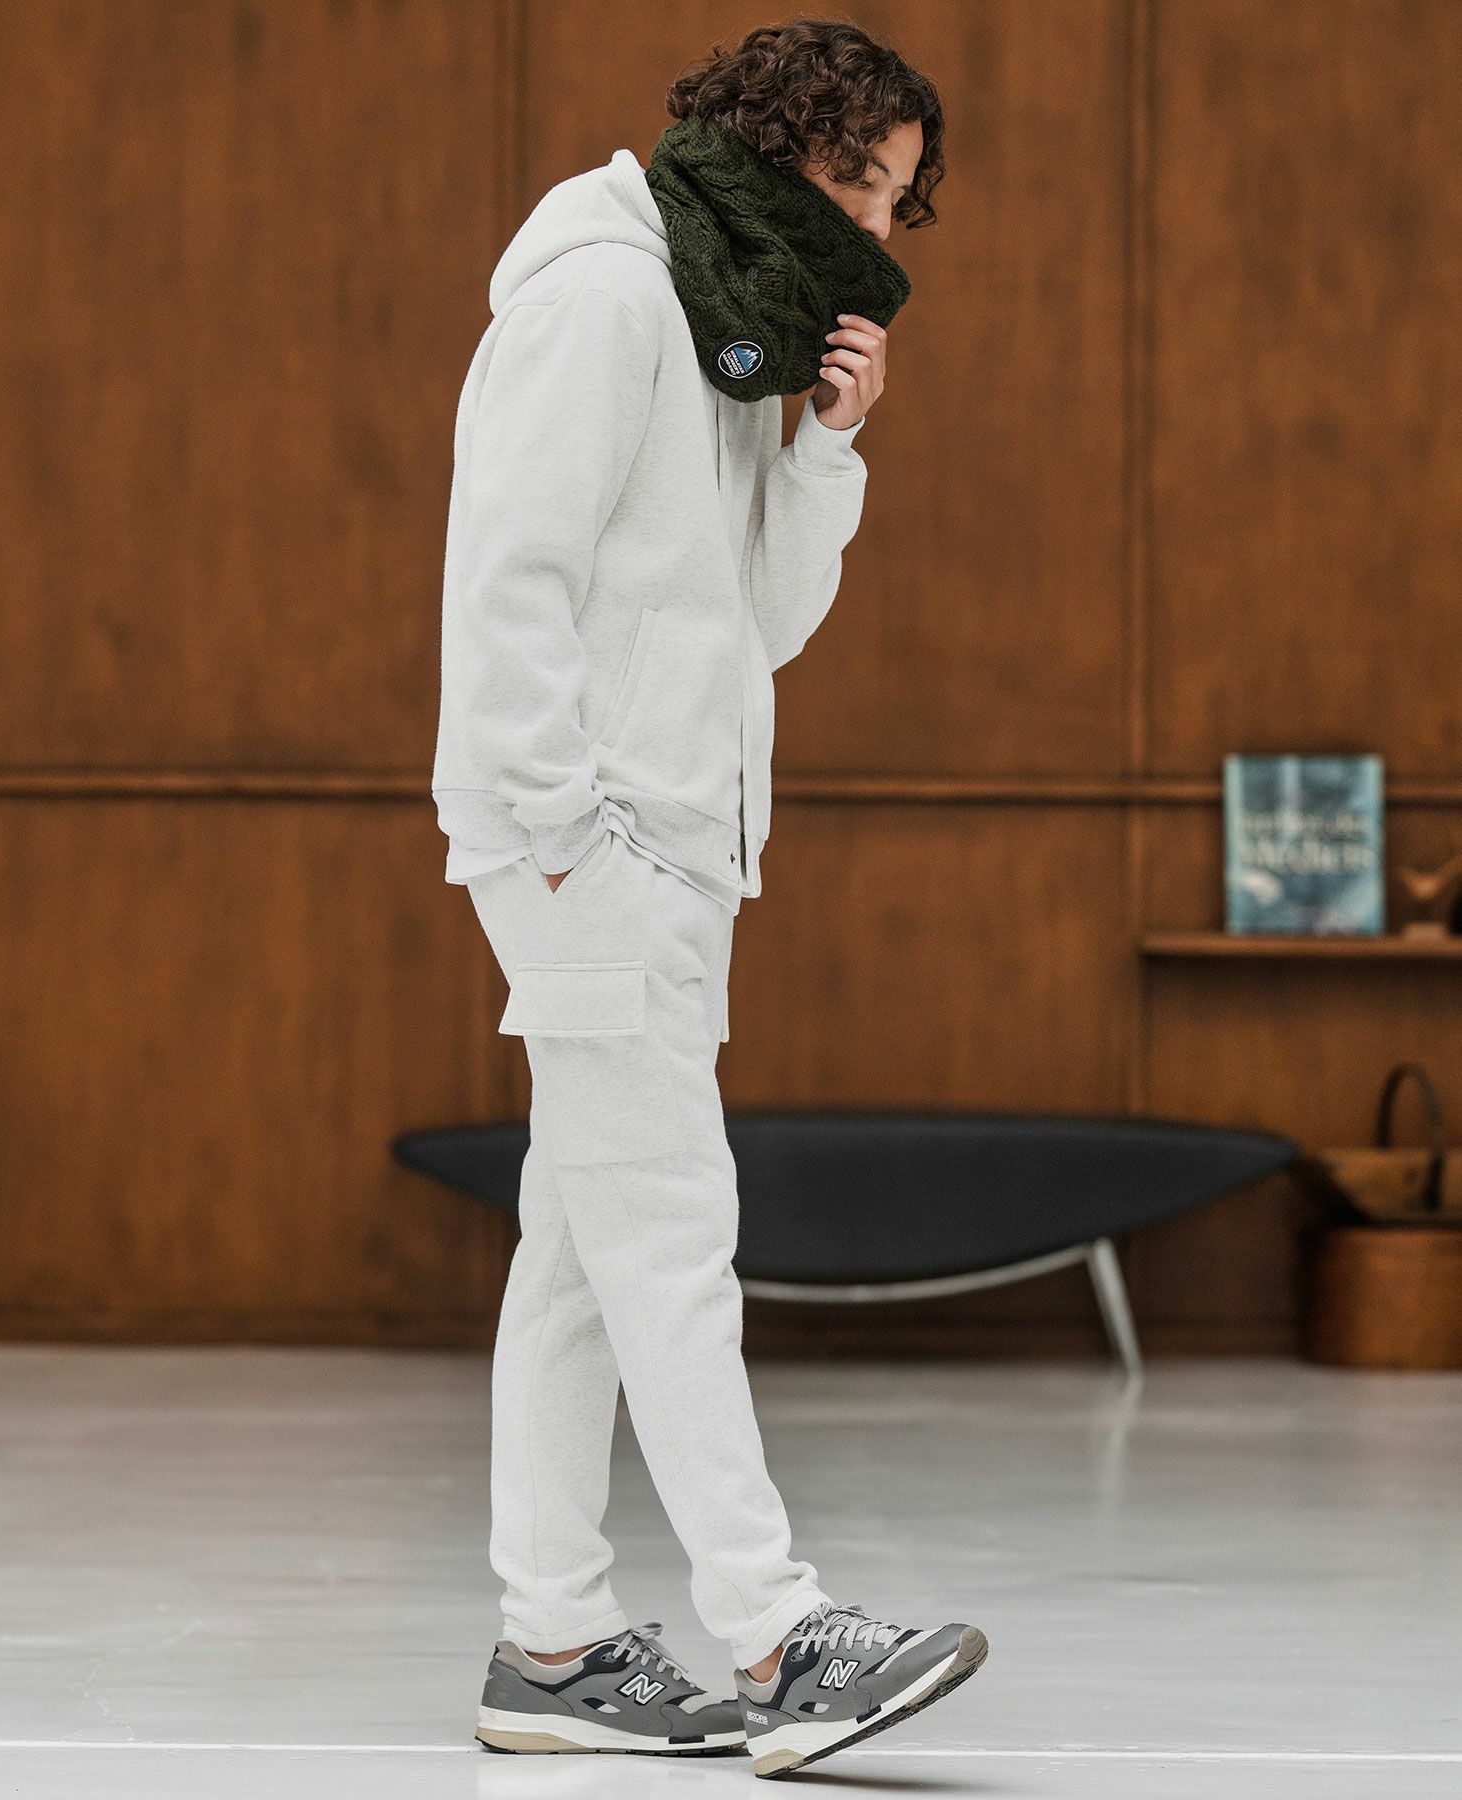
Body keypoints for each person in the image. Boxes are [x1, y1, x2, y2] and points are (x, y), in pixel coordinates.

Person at [431, 17, 987, 1779]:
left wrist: (824, 449)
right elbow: (503, 582)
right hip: (594, 841)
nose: (877, 232)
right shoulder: (605, 296)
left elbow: (762, 631)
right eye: (858, 183)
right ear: (776, 145)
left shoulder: (728, 324)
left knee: (585, 1260)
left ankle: (554, 1645)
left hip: (676, 839)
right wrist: (563, 832)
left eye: (897, 201)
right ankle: (775, 1632)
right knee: (672, 1234)